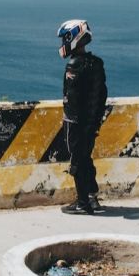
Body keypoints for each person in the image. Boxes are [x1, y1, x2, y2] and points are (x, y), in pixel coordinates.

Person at [56, 20, 108, 215]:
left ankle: (82, 202)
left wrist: (74, 120)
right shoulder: (96, 64)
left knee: (77, 161)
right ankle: (92, 196)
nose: (63, 42)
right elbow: (101, 95)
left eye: (65, 38)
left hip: (75, 121)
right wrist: (94, 121)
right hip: (91, 121)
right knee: (86, 158)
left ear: (74, 37)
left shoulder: (74, 66)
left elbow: (71, 98)